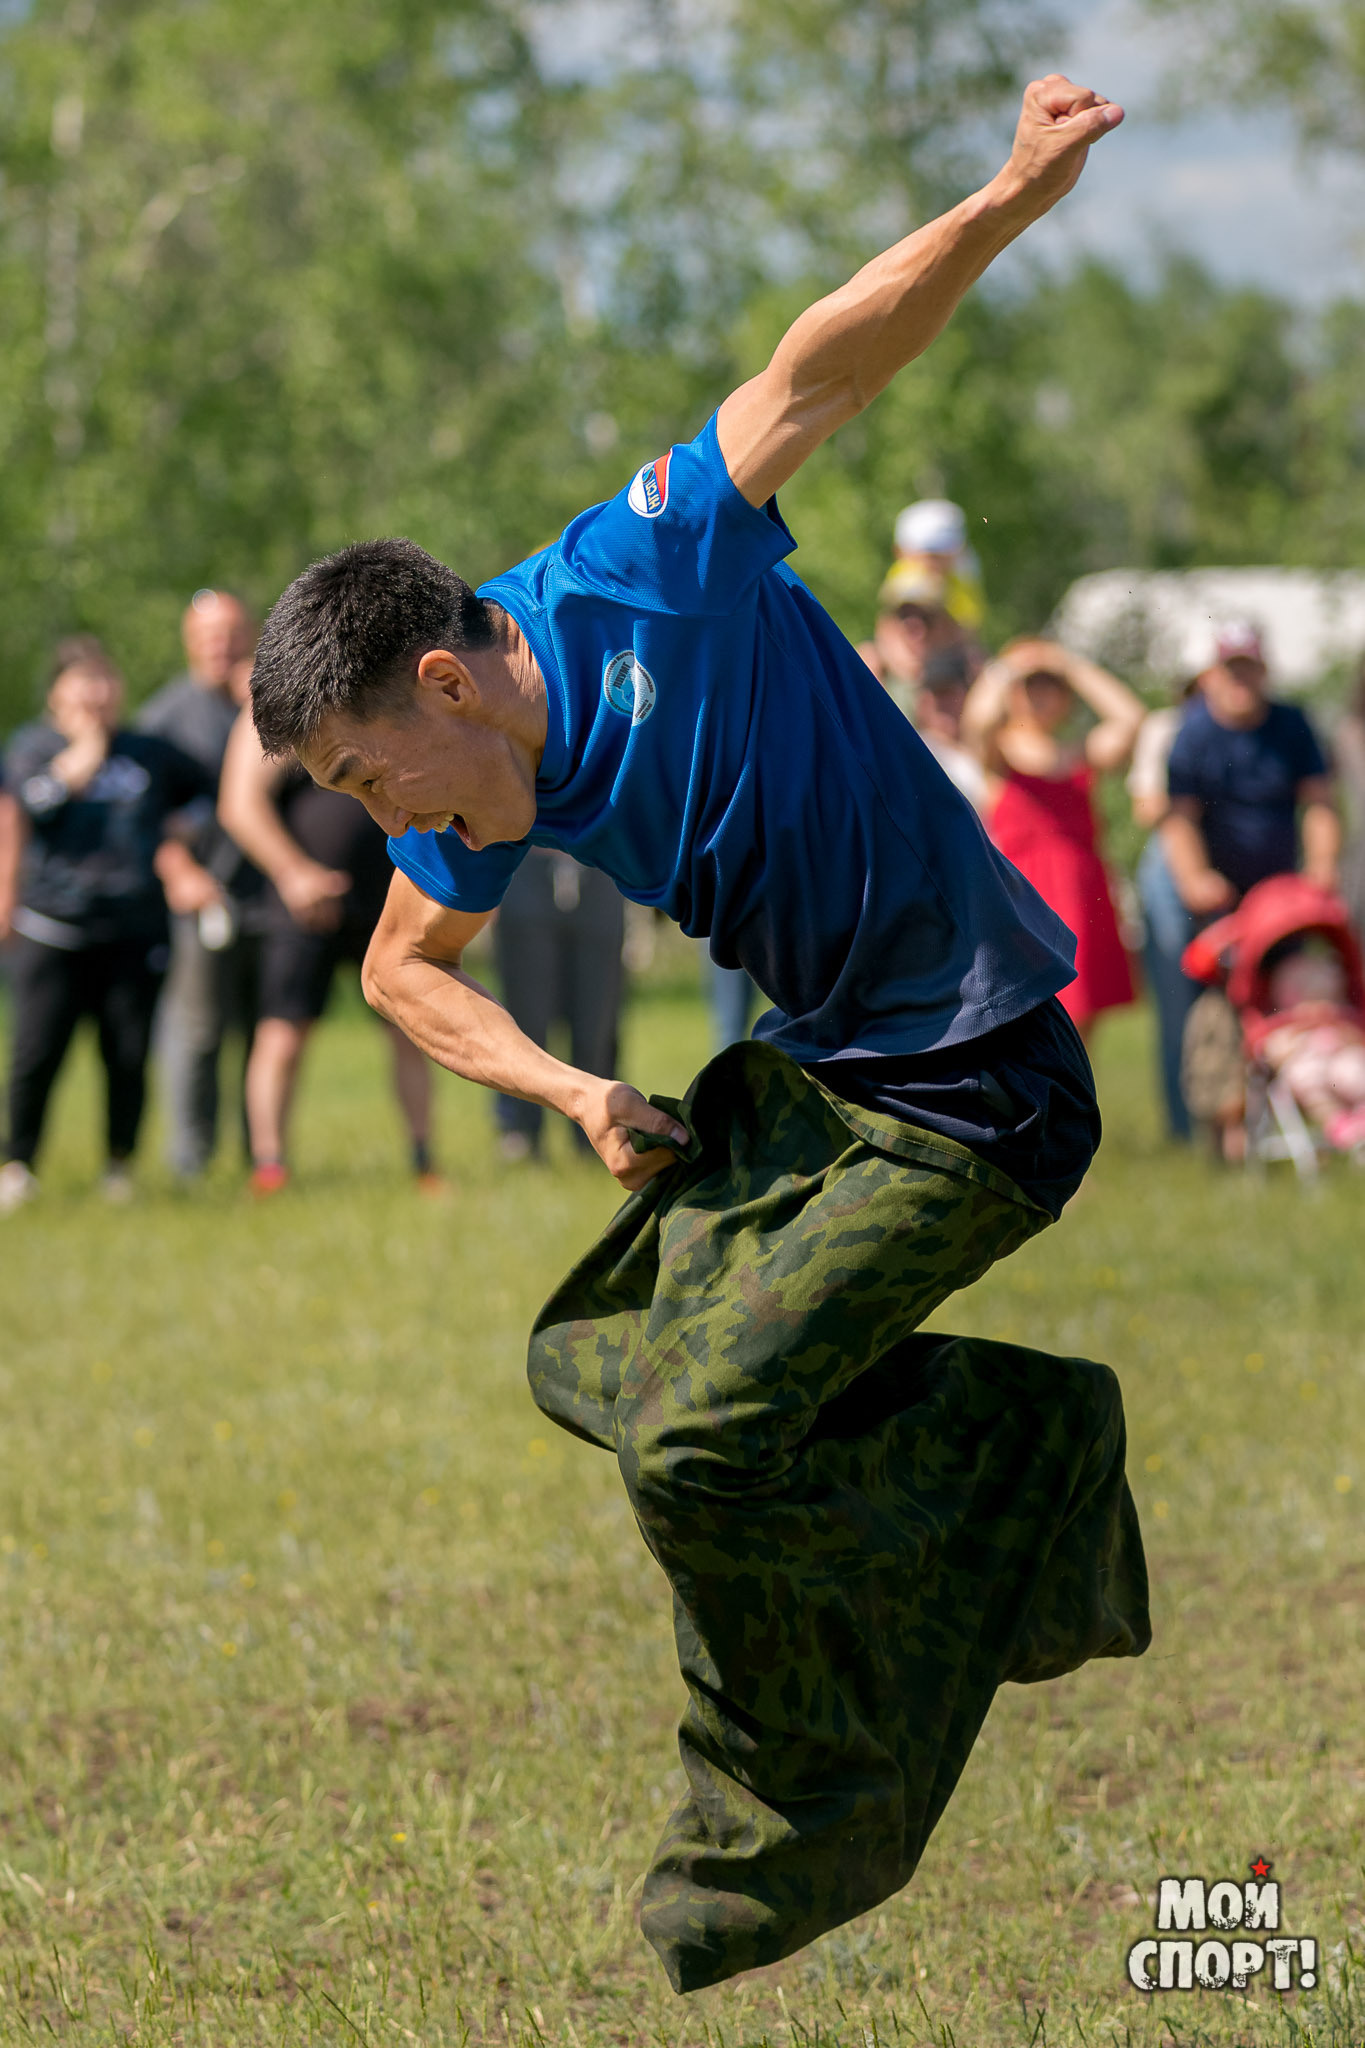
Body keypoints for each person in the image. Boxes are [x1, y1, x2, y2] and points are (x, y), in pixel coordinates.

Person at [244, 75, 1148, 1991]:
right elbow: (400, 973)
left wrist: (1005, 196)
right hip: (827, 1075)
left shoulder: (649, 559)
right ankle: (1033, 1451)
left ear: (440, 678)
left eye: (356, 770)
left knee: (701, 1443)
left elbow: (823, 360)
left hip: (981, 1074)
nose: (369, 816)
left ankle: (800, 1809)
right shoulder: (476, 793)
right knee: (595, 1350)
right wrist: (576, 1086)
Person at [1, 638, 209, 1212]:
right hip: (52, 929)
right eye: (83, 679)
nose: (97, 691)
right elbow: (33, 805)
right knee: (37, 1053)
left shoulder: (149, 751)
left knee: (126, 1054)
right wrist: (84, 753)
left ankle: (119, 1167)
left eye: (105, 678)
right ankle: (18, 1166)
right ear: (56, 693)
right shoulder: (32, 748)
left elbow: (208, 790)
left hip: (134, 929)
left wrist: (185, 829)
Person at [216, 707, 442, 1195]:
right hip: (304, 906)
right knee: (281, 1035)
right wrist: (292, 872)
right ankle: (270, 1168)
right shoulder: (284, 701)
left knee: (411, 1032)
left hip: (387, 900)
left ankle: (425, 1164)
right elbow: (240, 802)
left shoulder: (380, 688)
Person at [136, 589, 261, 1178]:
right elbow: (141, 817)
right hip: (204, 899)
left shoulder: (271, 704)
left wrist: (259, 708)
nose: (223, 646)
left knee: (264, 1033)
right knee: (198, 1029)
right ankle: (191, 1162)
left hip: (269, 898)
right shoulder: (163, 720)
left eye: (233, 634)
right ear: (189, 641)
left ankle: (262, 1158)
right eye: (210, 635)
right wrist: (177, 872)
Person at [964, 637, 1144, 1040]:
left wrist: (1072, 665)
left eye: (1051, 685)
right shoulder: (998, 755)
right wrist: (1009, 666)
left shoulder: (1080, 752)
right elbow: (976, 720)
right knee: (1032, 1016)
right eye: (1031, 686)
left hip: (1084, 893)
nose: (1041, 695)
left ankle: (1070, 1098)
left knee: (1082, 1020)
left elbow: (1131, 719)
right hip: (1027, 895)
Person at [1161, 621, 1339, 914]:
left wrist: (1322, 864)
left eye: (1248, 670)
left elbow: (1320, 802)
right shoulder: (1193, 732)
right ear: (1213, 675)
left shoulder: (1292, 723)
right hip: (1218, 892)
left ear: (1264, 672)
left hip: (1281, 887)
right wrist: (1195, 878)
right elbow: (1180, 817)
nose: (1240, 680)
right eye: (1232, 671)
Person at [491, 848, 626, 1158]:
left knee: (597, 1017)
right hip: (525, 862)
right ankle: (521, 1130)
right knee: (526, 1015)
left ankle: (599, 1130)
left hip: (599, 863)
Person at [1128, 681, 1201, 1140]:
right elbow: (1146, 808)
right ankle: (1183, 1127)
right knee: (1176, 1006)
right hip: (1169, 871)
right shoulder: (1166, 727)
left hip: (1226, 861)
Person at [891, 496, 986, 633]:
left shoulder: (960, 576)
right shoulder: (907, 580)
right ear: (902, 553)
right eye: (931, 555)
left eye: (947, 553)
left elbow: (970, 627)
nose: (938, 563)